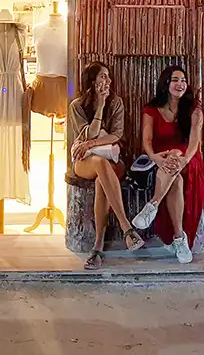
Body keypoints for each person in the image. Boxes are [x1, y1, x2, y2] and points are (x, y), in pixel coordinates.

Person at [68, 62, 145, 270]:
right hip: (85, 161)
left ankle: (98, 246)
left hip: (112, 159)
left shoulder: (117, 103)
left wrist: (91, 144)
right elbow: (90, 133)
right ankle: (126, 228)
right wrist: (100, 105)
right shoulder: (76, 106)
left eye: (108, 77)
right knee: (100, 165)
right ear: (92, 82)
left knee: (104, 171)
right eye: (103, 77)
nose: (108, 82)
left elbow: (116, 135)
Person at [132, 65, 204, 264]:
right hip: (161, 158)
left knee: (175, 155)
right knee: (176, 182)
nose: (180, 84)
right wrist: (155, 157)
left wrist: (183, 159)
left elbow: (194, 144)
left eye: (183, 80)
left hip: (189, 160)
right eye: (175, 79)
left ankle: (152, 205)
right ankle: (178, 237)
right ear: (166, 83)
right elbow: (146, 142)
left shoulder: (194, 109)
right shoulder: (151, 109)